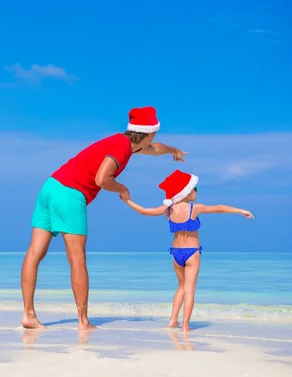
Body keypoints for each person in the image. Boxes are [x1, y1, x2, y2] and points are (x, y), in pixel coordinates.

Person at [20, 106, 187, 330]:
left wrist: (172, 150)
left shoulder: (124, 143)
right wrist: (121, 188)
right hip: (70, 194)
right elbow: (101, 178)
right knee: (77, 259)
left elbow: (154, 149)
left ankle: (28, 315)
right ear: (149, 132)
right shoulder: (121, 147)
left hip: (50, 187)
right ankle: (83, 321)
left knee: (34, 253)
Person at [121, 169, 254, 332]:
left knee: (181, 287)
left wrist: (127, 201)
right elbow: (219, 208)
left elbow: (144, 211)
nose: (196, 192)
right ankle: (185, 326)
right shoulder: (194, 209)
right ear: (185, 191)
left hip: (176, 253)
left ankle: (172, 320)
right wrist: (241, 211)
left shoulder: (168, 210)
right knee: (190, 289)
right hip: (192, 252)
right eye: (194, 189)